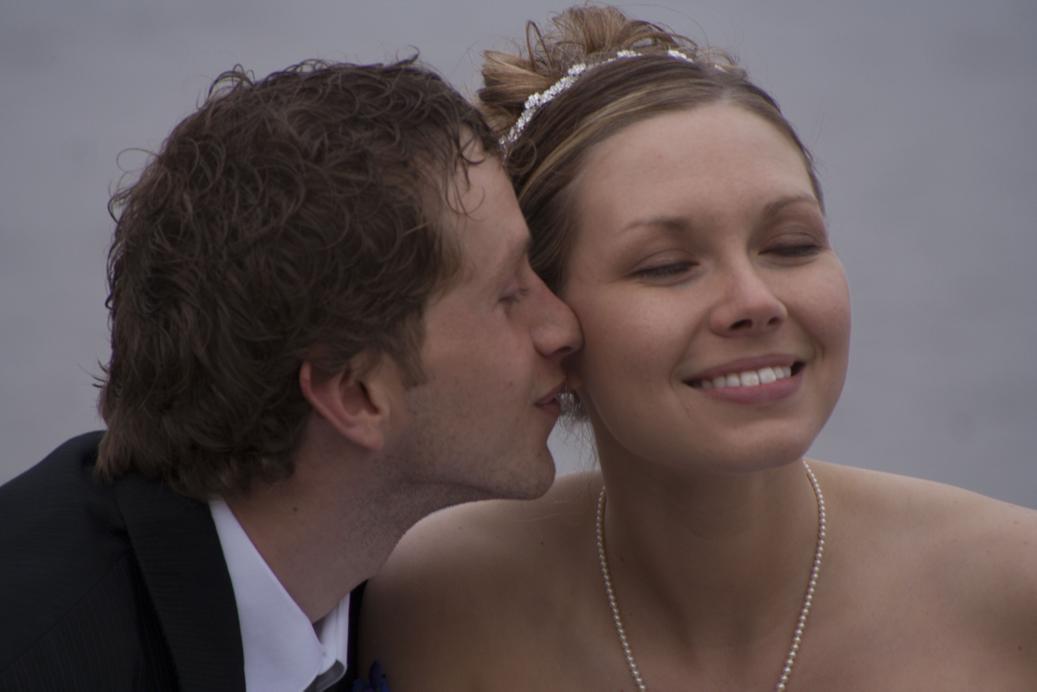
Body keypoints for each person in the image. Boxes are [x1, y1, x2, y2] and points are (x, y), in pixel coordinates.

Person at [360, 7, 1037, 690]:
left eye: (791, 245)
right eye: (666, 266)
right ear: (551, 319)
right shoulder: (429, 600)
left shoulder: (1015, 589)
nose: (755, 302)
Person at [0, 57, 580, 692]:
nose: (563, 328)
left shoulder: (382, 589)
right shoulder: (42, 657)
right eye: (509, 294)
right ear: (354, 395)